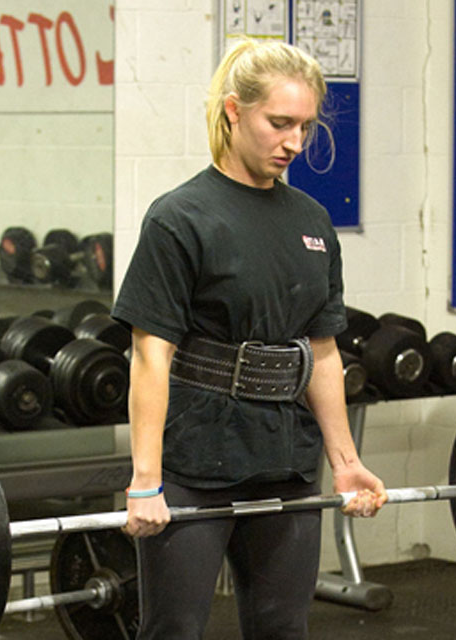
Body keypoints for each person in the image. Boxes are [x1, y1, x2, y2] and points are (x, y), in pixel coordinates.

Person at [111, 39, 387, 639]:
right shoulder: (179, 218)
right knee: (175, 630)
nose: (294, 142)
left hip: (286, 459)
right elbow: (151, 357)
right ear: (234, 111)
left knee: (282, 629)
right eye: (279, 123)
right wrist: (145, 480)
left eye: (306, 127)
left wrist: (345, 463)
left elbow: (322, 352)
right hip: (194, 461)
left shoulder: (313, 222)